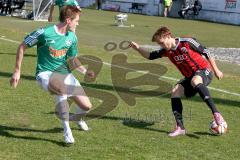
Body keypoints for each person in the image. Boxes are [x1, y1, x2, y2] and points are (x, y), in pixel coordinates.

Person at [10, 6, 94, 144]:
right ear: (68, 20)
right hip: (45, 74)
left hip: (64, 73)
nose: (77, 24)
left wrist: (85, 71)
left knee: (86, 107)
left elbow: (72, 59)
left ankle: (78, 119)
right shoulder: (44, 33)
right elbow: (22, 46)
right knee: (61, 89)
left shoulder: (72, 37)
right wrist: (17, 71)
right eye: (76, 21)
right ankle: (67, 132)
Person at [129, 26, 227, 137]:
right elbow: (150, 56)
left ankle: (216, 114)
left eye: (161, 42)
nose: (161, 46)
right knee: (175, 91)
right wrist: (138, 48)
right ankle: (180, 127)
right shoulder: (167, 51)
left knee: (195, 80)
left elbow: (206, 52)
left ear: (168, 36)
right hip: (190, 77)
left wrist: (216, 70)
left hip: (204, 71)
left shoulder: (187, 42)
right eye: (159, 44)